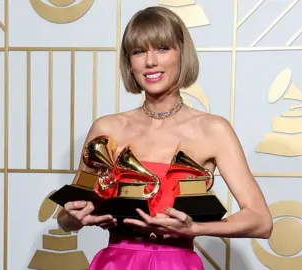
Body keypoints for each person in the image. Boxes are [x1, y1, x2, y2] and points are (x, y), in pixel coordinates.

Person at [57, 6, 273, 270]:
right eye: (138, 52)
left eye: (162, 48)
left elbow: (261, 221)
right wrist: (74, 217)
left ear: (182, 53)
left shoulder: (213, 130)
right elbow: (65, 219)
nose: (150, 62)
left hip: (177, 263)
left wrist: (195, 228)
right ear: (130, 63)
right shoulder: (107, 128)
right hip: (115, 264)